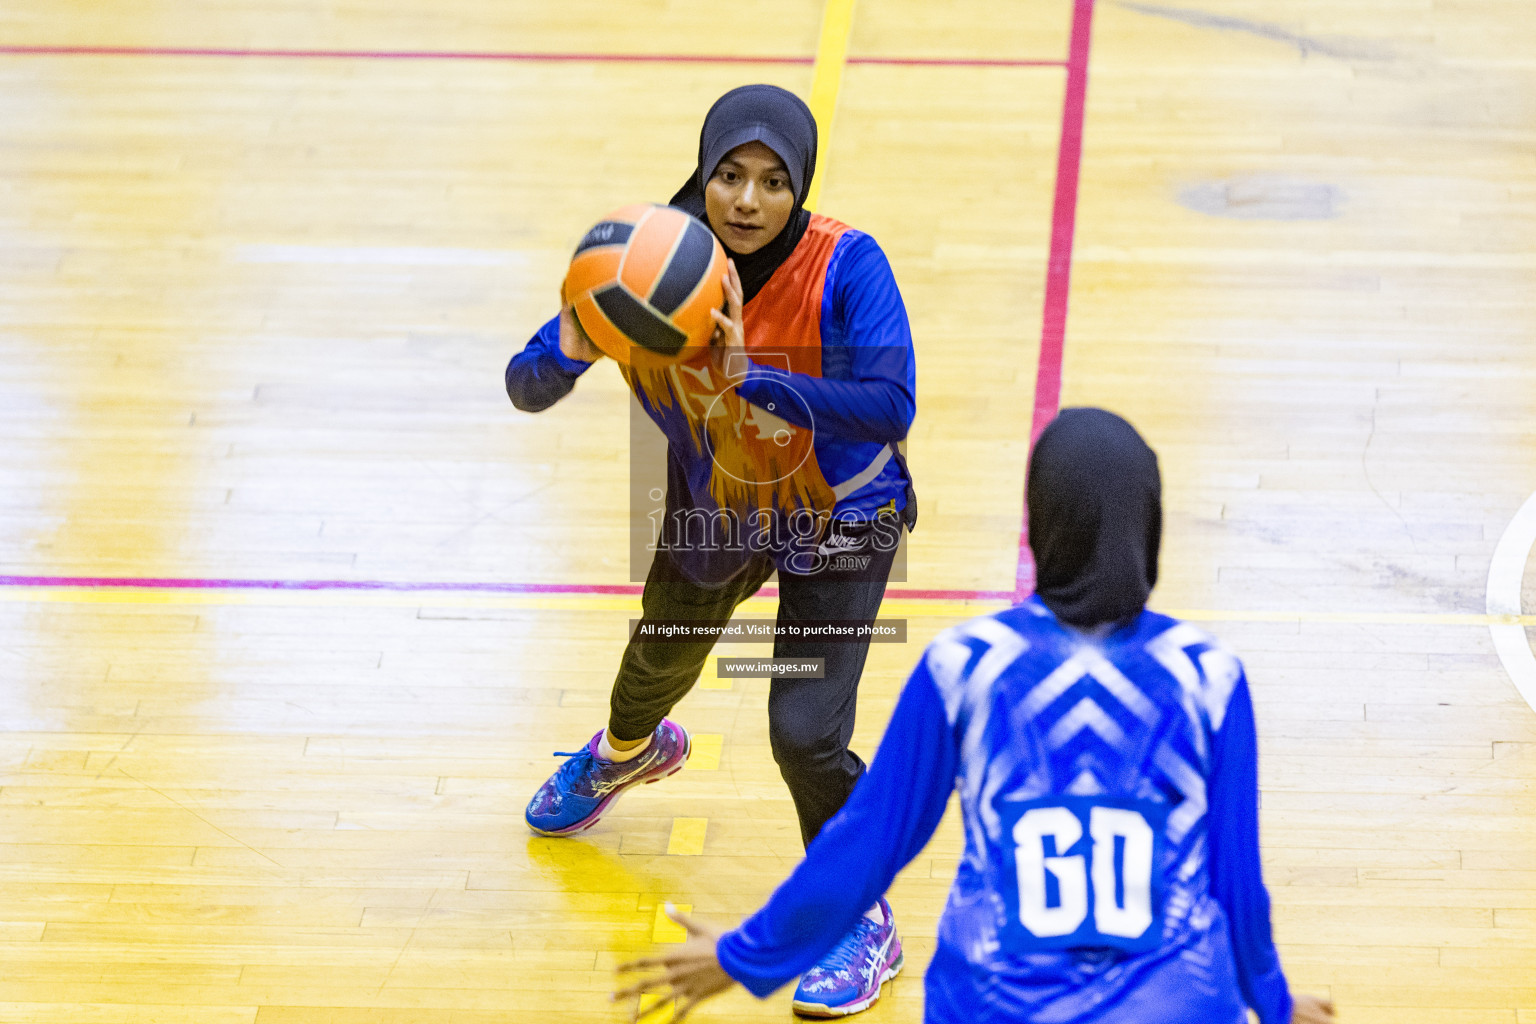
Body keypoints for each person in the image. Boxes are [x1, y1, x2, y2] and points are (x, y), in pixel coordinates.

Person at [613, 408, 1338, 1024]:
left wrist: (747, 954)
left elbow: (869, 842)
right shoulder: (1208, 676)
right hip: (1171, 1002)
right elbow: (1236, 878)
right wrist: (1271, 1003)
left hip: (994, 1001)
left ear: (1038, 526)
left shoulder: (968, 665)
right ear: (1149, 525)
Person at [505, 84, 917, 1016]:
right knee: (652, 669)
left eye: (773, 182)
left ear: (799, 190)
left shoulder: (849, 265)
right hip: (718, 510)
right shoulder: (644, 264)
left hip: (841, 517)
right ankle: (626, 754)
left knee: (805, 733)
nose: (746, 199)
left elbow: (892, 407)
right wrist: (572, 338)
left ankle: (859, 916)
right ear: (704, 171)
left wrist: (755, 379)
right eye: (730, 174)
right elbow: (524, 387)